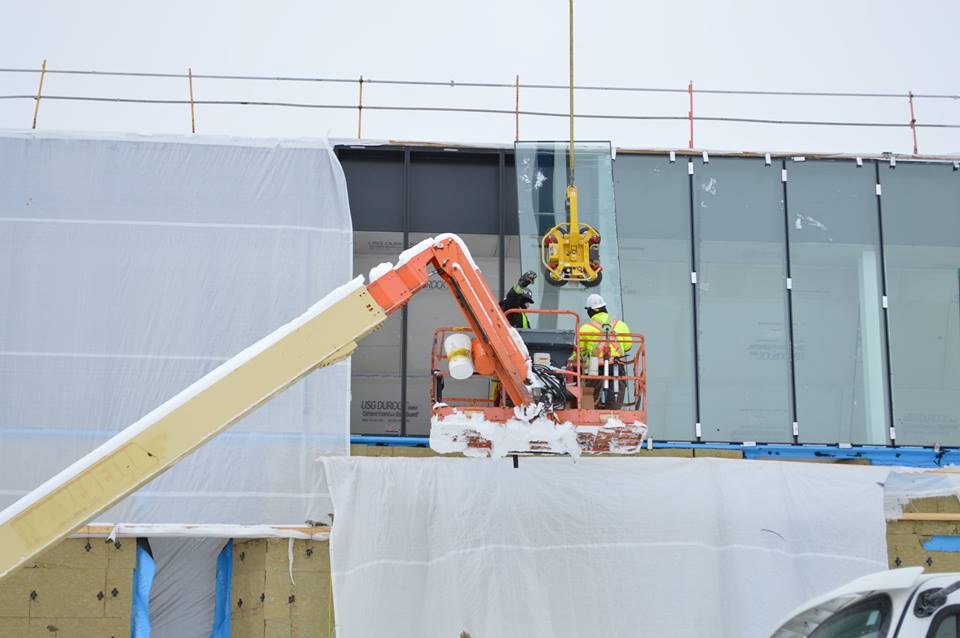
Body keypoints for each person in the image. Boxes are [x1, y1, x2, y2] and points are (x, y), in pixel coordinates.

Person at [578, 293, 632, 409]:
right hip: (617, 368)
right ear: (604, 308)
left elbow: (579, 352)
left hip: (595, 370)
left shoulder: (585, 328)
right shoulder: (621, 325)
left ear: (590, 311)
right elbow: (628, 347)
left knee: (592, 404)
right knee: (614, 405)